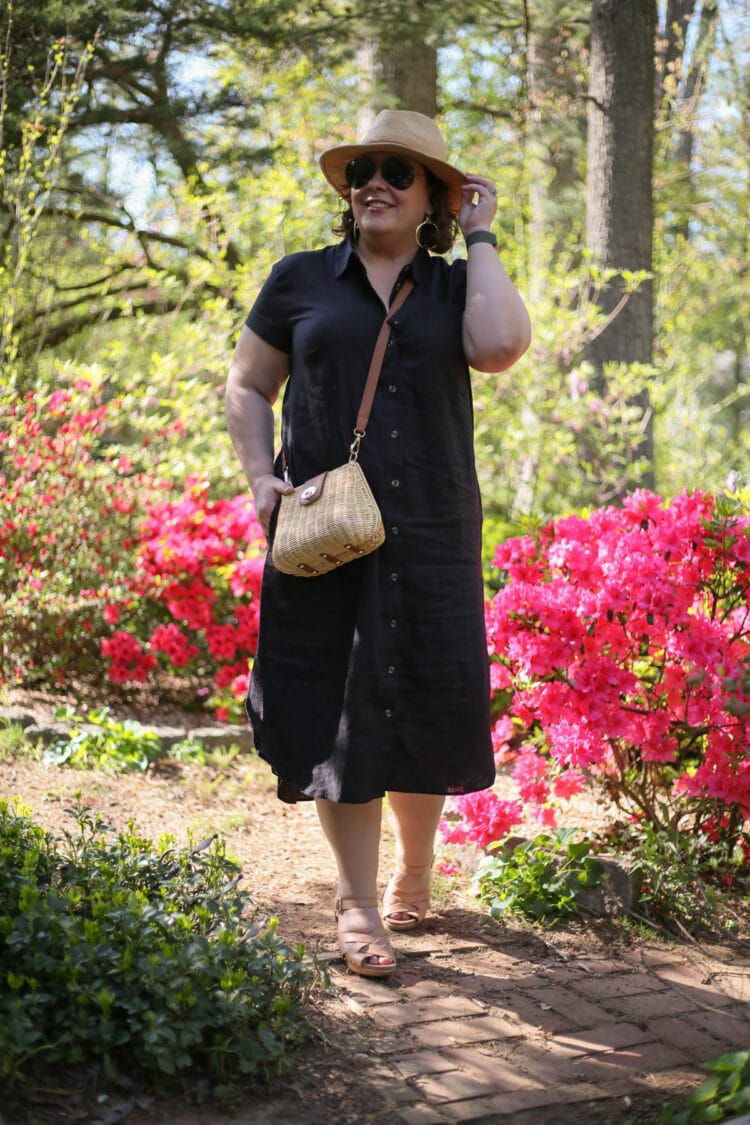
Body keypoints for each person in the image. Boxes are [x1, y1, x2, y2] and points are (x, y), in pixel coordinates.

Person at [226, 110, 530, 978]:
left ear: (435, 193)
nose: (375, 182)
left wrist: (484, 236)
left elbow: (502, 345)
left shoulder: (452, 286)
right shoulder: (300, 281)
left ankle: (416, 869)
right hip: (324, 531)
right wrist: (259, 478)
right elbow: (247, 384)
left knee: (427, 695)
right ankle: (357, 901)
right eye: (363, 167)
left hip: (432, 527)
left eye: (400, 170)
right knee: (338, 710)